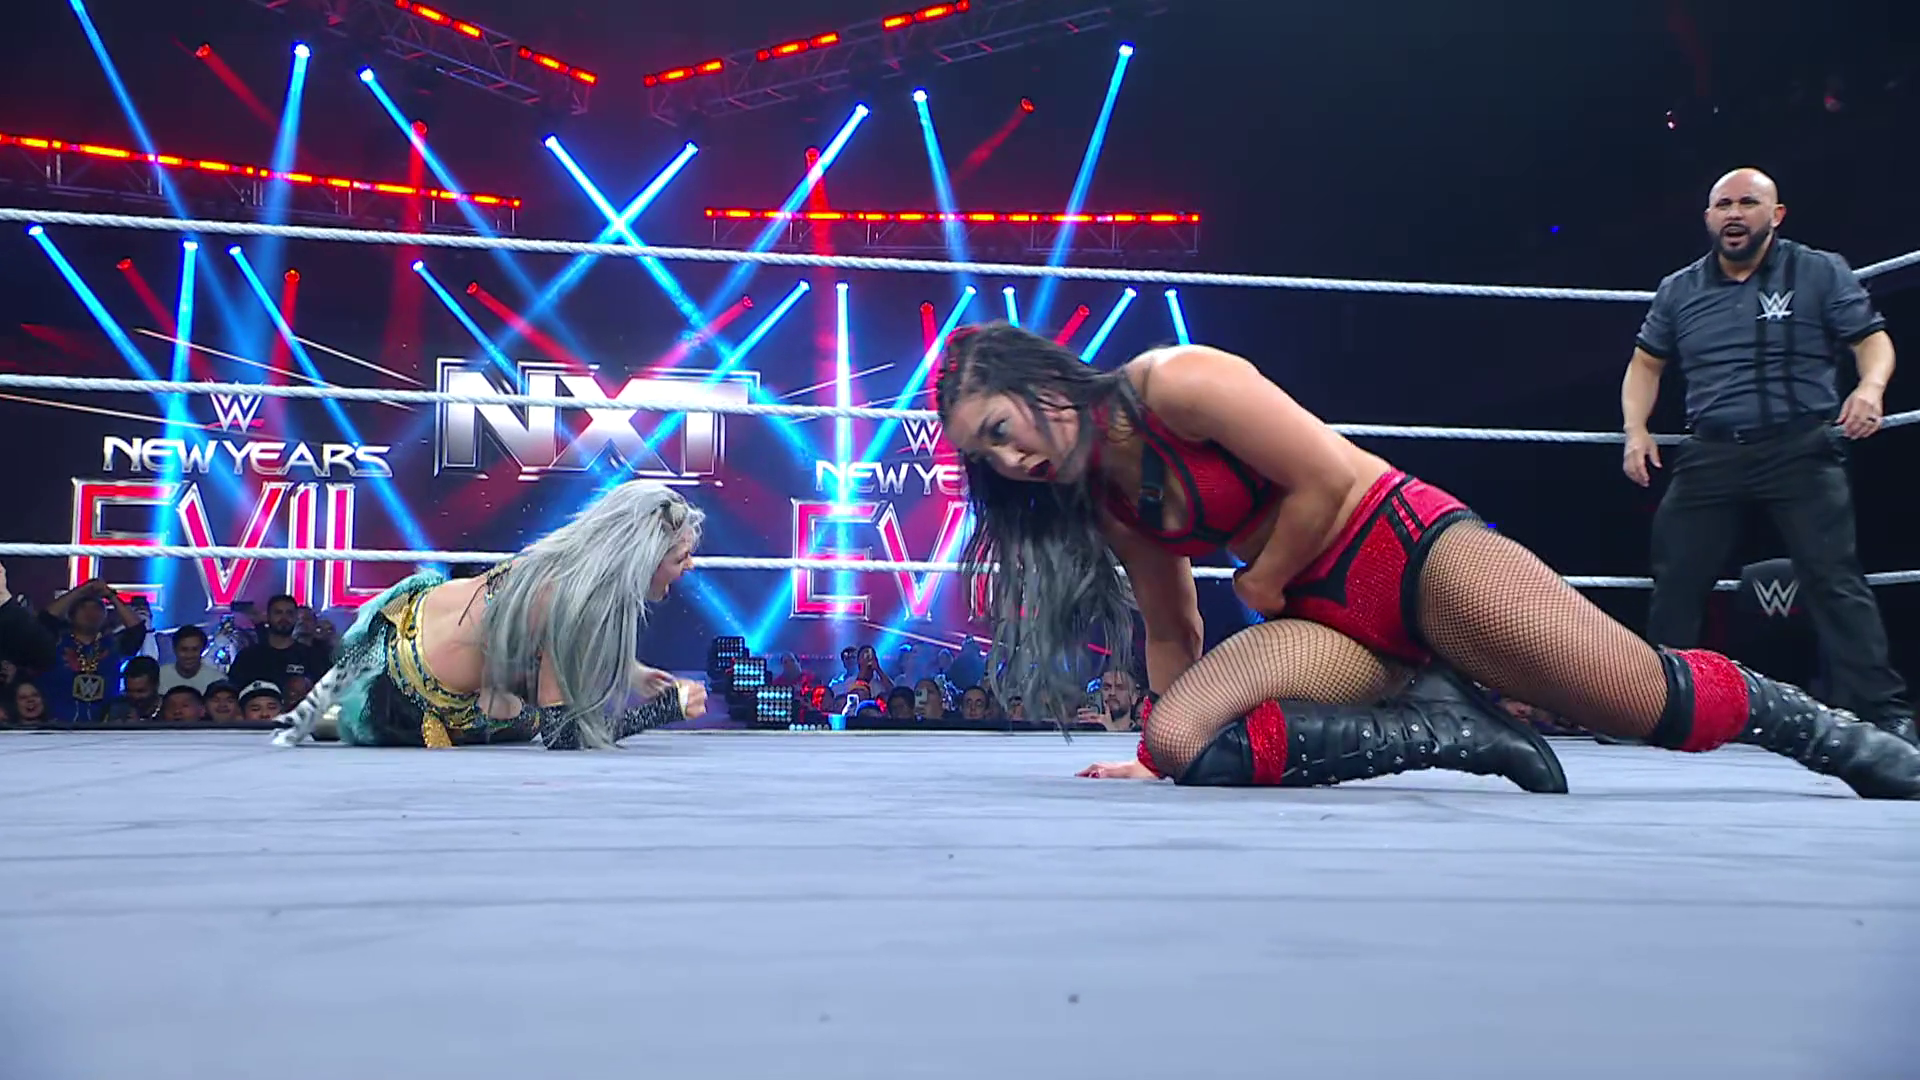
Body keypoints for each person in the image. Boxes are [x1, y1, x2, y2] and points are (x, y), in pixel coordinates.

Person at [933, 321, 1920, 797]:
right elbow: (1171, 624)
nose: (1011, 462)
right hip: (1325, 626)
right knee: (1186, 738)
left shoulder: (1176, 384)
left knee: (1645, 702)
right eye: (989, 457)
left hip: (1402, 548)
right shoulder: (1108, 501)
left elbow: (1324, 477)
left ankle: (1840, 739)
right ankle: (1451, 730)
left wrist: (1263, 579)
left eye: (1002, 430)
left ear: (1038, 381)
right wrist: (1159, 750)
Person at [1621, 167, 1912, 746]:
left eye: (1748, 203)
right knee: (1677, 576)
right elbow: (1645, 363)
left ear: (1775, 215)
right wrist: (1635, 430)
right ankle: (1659, 708)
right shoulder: (1679, 288)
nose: (1734, 214)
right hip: (1712, 450)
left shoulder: (1818, 270)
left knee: (1834, 578)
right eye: (1723, 204)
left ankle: (1884, 714)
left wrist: (1871, 388)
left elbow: (1871, 339)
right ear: (1708, 217)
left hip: (1800, 446)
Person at [271, 481, 710, 750]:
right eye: (681, 557)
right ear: (642, 559)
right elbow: (562, 736)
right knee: (523, 714)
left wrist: (631, 672)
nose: (689, 566)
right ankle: (325, 715)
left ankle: (318, 713)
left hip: (411, 625)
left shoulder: (561, 564)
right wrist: (662, 711)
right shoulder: (566, 599)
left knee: (515, 702)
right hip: (406, 700)